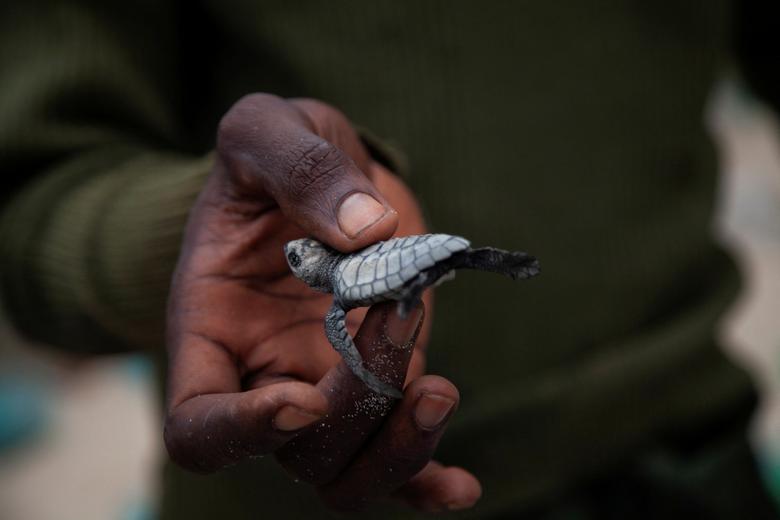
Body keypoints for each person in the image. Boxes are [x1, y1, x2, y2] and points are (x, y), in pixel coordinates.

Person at [1, 1, 778, 518]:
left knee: (433, 276)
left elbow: (354, 312)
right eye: (299, 258)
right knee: (436, 275)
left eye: (300, 256)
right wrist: (201, 240)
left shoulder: (340, 288)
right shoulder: (336, 285)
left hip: (694, 449)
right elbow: (28, 200)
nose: (303, 261)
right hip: (293, 500)